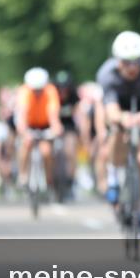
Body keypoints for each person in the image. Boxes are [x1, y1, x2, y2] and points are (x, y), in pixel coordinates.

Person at [95, 31, 140, 235]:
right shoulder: (107, 74)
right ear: (117, 60)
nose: (132, 67)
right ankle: (114, 177)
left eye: (136, 62)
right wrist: (121, 118)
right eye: (126, 62)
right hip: (119, 106)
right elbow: (110, 109)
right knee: (117, 133)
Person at [15, 67, 63, 196]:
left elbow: (53, 114)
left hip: (44, 124)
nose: (37, 93)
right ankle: (23, 175)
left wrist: (56, 128)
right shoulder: (24, 92)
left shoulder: (50, 91)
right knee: (26, 144)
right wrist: (25, 133)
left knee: (46, 152)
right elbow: (22, 116)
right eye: (34, 90)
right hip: (29, 124)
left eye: (39, 90)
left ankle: (48, 180)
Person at [54, 70, 80, 201]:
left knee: (70, 152)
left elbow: (78, 112)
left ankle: (71, 181)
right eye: (60, 87)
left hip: (69, 126)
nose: (63, 90)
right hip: (52, 125)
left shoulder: (74, 95)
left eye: (65, 87)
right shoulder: (52, 94)